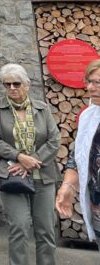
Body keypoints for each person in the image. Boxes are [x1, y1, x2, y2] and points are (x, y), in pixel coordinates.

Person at [0, 63, 59, 265]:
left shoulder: (42, 108)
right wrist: (19, 156)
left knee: (46, 230)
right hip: (12, 174)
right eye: (7, 84)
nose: (11, 88)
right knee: (19, 227)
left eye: (16, 84)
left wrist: (31, 160)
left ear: (26, 85)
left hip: (42, 175)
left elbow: (54, 140)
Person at [56, 58, 100, 245]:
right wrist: (67, 186)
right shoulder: (88, 116)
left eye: (97, 82)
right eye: (88, 81)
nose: (90, 88)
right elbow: (79, 156)